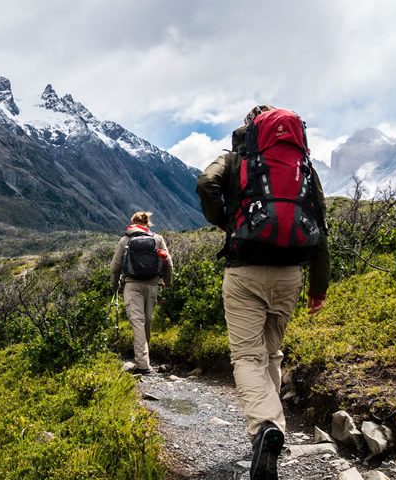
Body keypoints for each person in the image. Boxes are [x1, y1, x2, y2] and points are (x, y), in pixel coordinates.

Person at [196, 105, 330, 480]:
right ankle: (272, 430)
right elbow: (319, 223)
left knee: (246, 357)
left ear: (250, 129)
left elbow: (205, 184)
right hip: (290, 274)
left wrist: (227, 221)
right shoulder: (302, 166)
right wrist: (319, 285)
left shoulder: (236, 159)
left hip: (245, 271)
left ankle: (265, 427)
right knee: (272, 352)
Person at [110, 211, 172, 375]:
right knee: (147, 321)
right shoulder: (157, 239)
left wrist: (115, 286)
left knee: (137, 321)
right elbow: (168, 262)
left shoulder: (125, 240)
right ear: (148, 223)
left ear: (133, 222)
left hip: (132, 285)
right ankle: (144, 359)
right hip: (152, 285)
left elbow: (115, 267)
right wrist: (167, 282)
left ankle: (143, 364)